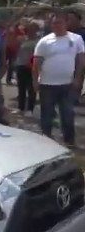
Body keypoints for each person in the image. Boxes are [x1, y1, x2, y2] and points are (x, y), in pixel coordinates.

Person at [33, 11, 85, 148]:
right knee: (47, 114)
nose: (56, 25)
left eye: (59, 22)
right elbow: (36, 63)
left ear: (66, 23)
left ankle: (69, 141)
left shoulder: (76, 39)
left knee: (67, 114)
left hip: (67, 85)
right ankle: (46, 140)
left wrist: (78, 78)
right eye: (54, 23)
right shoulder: (44, 41)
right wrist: (35, 81)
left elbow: (81, 60)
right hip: (47, 84)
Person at [14, 22, 39, 116]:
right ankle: (20, 107)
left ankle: (30, 109)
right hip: (20, 65)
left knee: (31, 88)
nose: (31, 31)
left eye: (33, 29)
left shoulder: (39, 41)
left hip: (32, 67)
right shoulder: (21, 39)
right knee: (21, 88)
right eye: (29, 29)